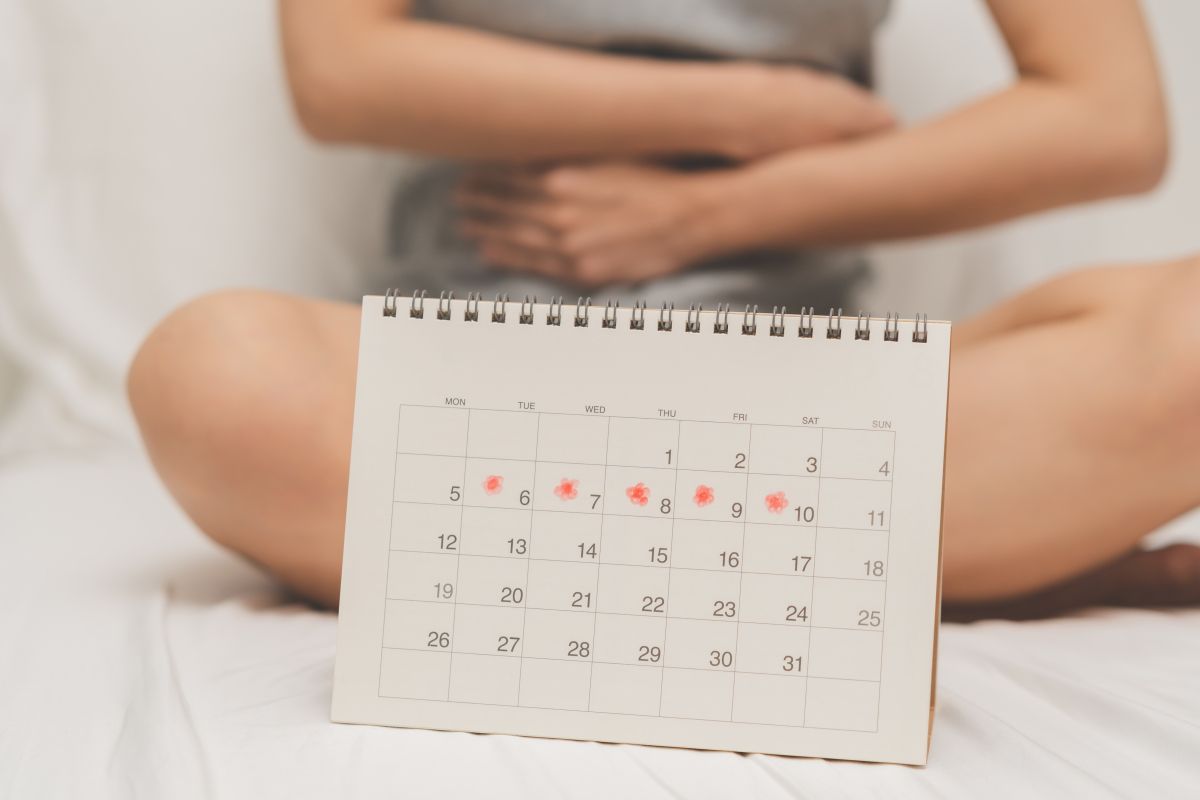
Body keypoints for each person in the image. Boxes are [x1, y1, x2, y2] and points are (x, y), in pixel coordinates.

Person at [127, 0, 1200, 617]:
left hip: (814, 386)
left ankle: (587, 558)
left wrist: (703, 213)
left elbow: (1110, 118)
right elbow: (339, 69)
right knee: (212, 371)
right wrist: (736, 107)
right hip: (477, 376)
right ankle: (923, 555)